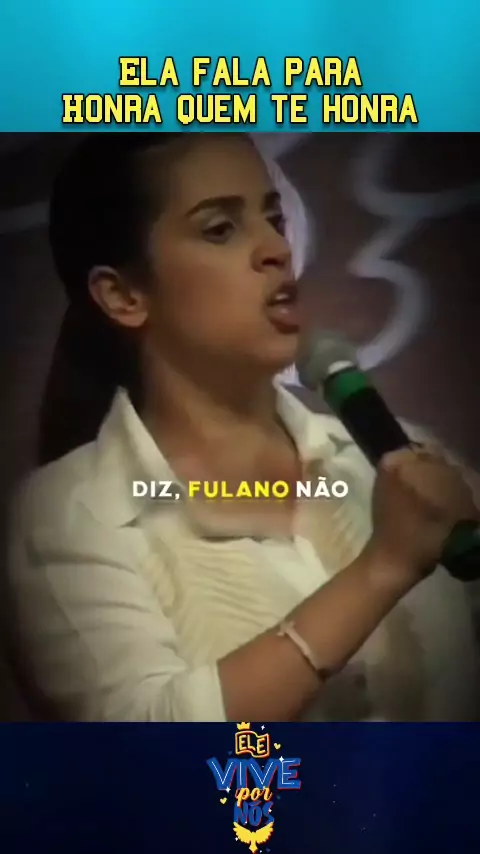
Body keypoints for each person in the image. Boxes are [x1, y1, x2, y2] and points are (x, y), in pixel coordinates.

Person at [7, 132, 480, 723]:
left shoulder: (404, 460)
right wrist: (384, 567)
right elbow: (143, 746)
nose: (277, 249)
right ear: (123, 295)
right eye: (220, 230)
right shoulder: (70, 516)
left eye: (274, 219)